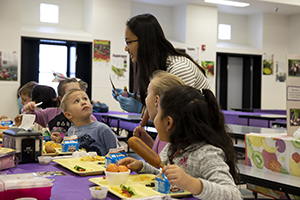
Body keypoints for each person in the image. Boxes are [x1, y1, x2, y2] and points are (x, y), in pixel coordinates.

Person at [119, 85, 242, 200]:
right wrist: (142, 167)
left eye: (158, 113)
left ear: (168, 123)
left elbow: (234, 194)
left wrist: (192, 183)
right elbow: (165, 177)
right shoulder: (172, 146)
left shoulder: (206, 154)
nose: (154, 119)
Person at [112, 13, 210, 114]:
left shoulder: (180, 68)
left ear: (145, 41)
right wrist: (137, 99)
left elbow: (175, 115)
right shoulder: (156, 67)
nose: (126, 48)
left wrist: (140, 109)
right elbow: (162, 105)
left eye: (129, 42)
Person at [22, 78, 97, 142]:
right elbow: (29, 114)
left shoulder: (89, 117)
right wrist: (29, 107)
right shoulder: (50, 113)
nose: (75, 95)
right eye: (70, 93)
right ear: (61, 98)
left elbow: (94, 139)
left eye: (78, 91)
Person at [133, 70, 185, 154]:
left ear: (156, 100)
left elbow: (161, 164)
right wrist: (147, 141)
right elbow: (160, 156)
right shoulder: (163, 129)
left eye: (147, 94)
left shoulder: (170, 134)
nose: (146, 100)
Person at [59, 88, 121, 156]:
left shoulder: (102, 129)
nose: (83, 102)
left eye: (85, 99)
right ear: (68, 115)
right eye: (76, 101)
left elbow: (119, 155)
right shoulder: (71, 131)